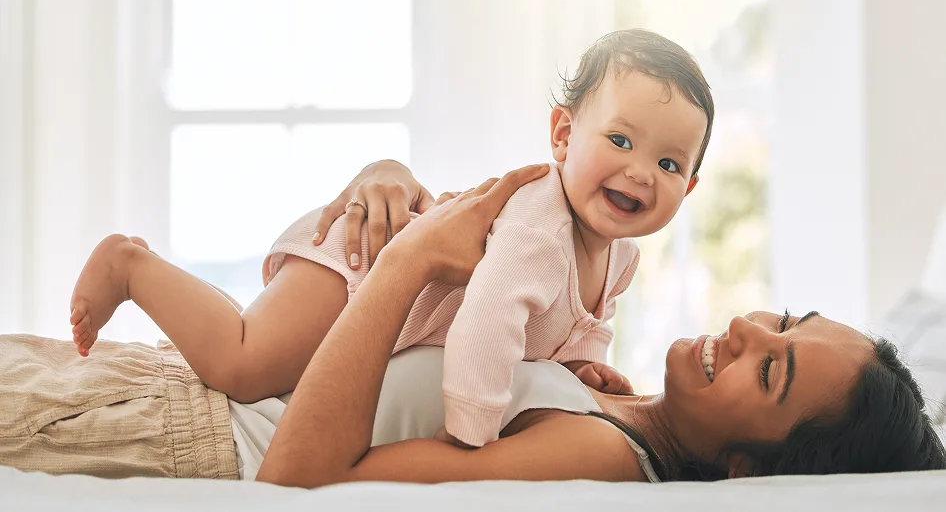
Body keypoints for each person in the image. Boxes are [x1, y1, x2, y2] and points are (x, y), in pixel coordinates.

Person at [1, 164, 944, 484]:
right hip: (157, 375)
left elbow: (301, 478)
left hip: (191, 434)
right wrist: (389, 194)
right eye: (783, 319)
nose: (744, 329)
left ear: (747, 474)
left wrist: (408, 260)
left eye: (770, 371)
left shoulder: (606, 459)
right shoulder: (610, 396)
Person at [67, 29, 714, 447]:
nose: (639, 171)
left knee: (267, 371)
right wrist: (471, 432)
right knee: (243, 363)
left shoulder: (620, 257)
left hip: (384, 296)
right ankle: (131, 266)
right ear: (564, 136)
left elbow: (579, 323)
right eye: (621, 140)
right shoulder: (540, 231)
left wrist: (580, 366)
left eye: (668, 163)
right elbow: (485, 329)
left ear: (687, 189)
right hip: (361, 264)